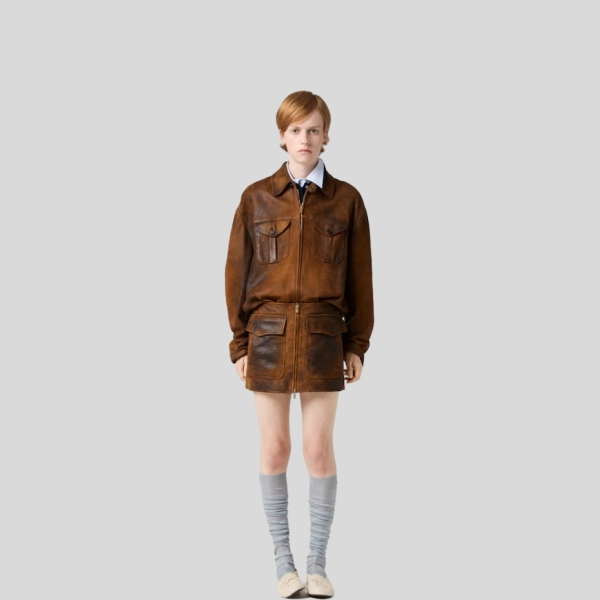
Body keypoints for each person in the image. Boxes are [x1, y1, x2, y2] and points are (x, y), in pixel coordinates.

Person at [225, 91, 374, 598]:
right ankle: (283, 565)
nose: (304, 139)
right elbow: (236, 274)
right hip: (266, 338)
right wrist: (240, 344)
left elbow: (361, 279)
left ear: (326, 135)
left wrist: (357, 343)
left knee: (317, 450)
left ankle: (317, 565)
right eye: (295, 130)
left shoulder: (347, 200)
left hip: (322, 337)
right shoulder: (255, 197)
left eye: (313, 130)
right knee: (275, 447)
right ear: (281, 136)